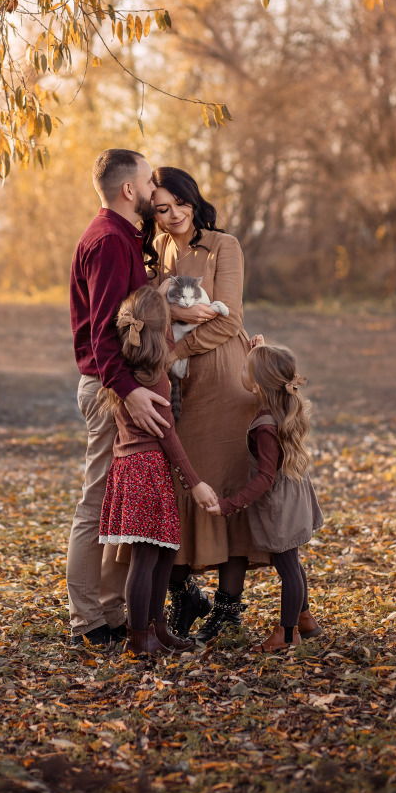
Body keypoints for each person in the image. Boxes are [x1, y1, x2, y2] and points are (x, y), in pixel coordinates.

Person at [142, 166, 267, 645]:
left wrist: (173, 351)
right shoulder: (159, 250)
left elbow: (229, 318)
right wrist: (169, 316)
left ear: (193, 202)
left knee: (227, 480)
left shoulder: (223, 245)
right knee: (180, 482)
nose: (172, 215)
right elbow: (151, 307)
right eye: (161, 209)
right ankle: (186, 594)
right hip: (177, 385)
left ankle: (229, 606)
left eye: (179, 204)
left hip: (220, 377)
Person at [68, 149, 172, 646]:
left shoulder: (124, 237)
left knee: (116, 505)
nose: (156, 190)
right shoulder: (109, 241)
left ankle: (111, 614)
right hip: (111, 389)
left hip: (120, 388)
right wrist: (128, 392)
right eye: (150, 182)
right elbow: (102, 334)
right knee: (95, 505)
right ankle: (86, 621)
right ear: (129, 190)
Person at [98, 286, 217, 656]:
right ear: (162, 329)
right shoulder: (154, 376)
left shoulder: (128, 370)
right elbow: (166, 434)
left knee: (164, 552)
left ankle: (157, 629)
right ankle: (138, 637)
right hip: (146, 469)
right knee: (147, 557)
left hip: (135, 468)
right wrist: (194, 482)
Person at [208, 343, 324, 652]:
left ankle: (286, 635)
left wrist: (229, 504)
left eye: (245, 369)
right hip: (294, 493)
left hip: (279, 504)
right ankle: (305, 619)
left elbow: (264, 477)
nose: (241, 372)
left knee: (287, 566)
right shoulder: (282, 408)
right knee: (292, 561)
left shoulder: (265, 425)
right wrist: (258, 354)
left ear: (258, 384)